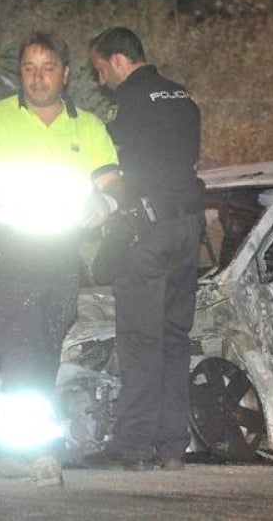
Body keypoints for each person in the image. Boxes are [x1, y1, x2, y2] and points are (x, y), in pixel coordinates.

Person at [0, 31, 120, 486]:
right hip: (6, 259)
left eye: (47, 68)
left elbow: (111, 182)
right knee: (18, 352)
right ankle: (40, 451)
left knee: (42, 358)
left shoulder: (89, 127)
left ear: (65, 72)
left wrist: (107, 205)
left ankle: (4, 446)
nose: (37, 78)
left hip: (61, 262)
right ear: (20, 73)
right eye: (28, 68)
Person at [87, 27, 203, 471]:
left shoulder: (127, 103)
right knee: (175, 339)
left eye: (100, 70)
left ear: (118, 60)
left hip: (148, 232)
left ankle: (134, 446)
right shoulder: (182, 96)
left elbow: (118, 173)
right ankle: (173, 446)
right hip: (188, 228)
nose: (100, 81)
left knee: (139, 339)